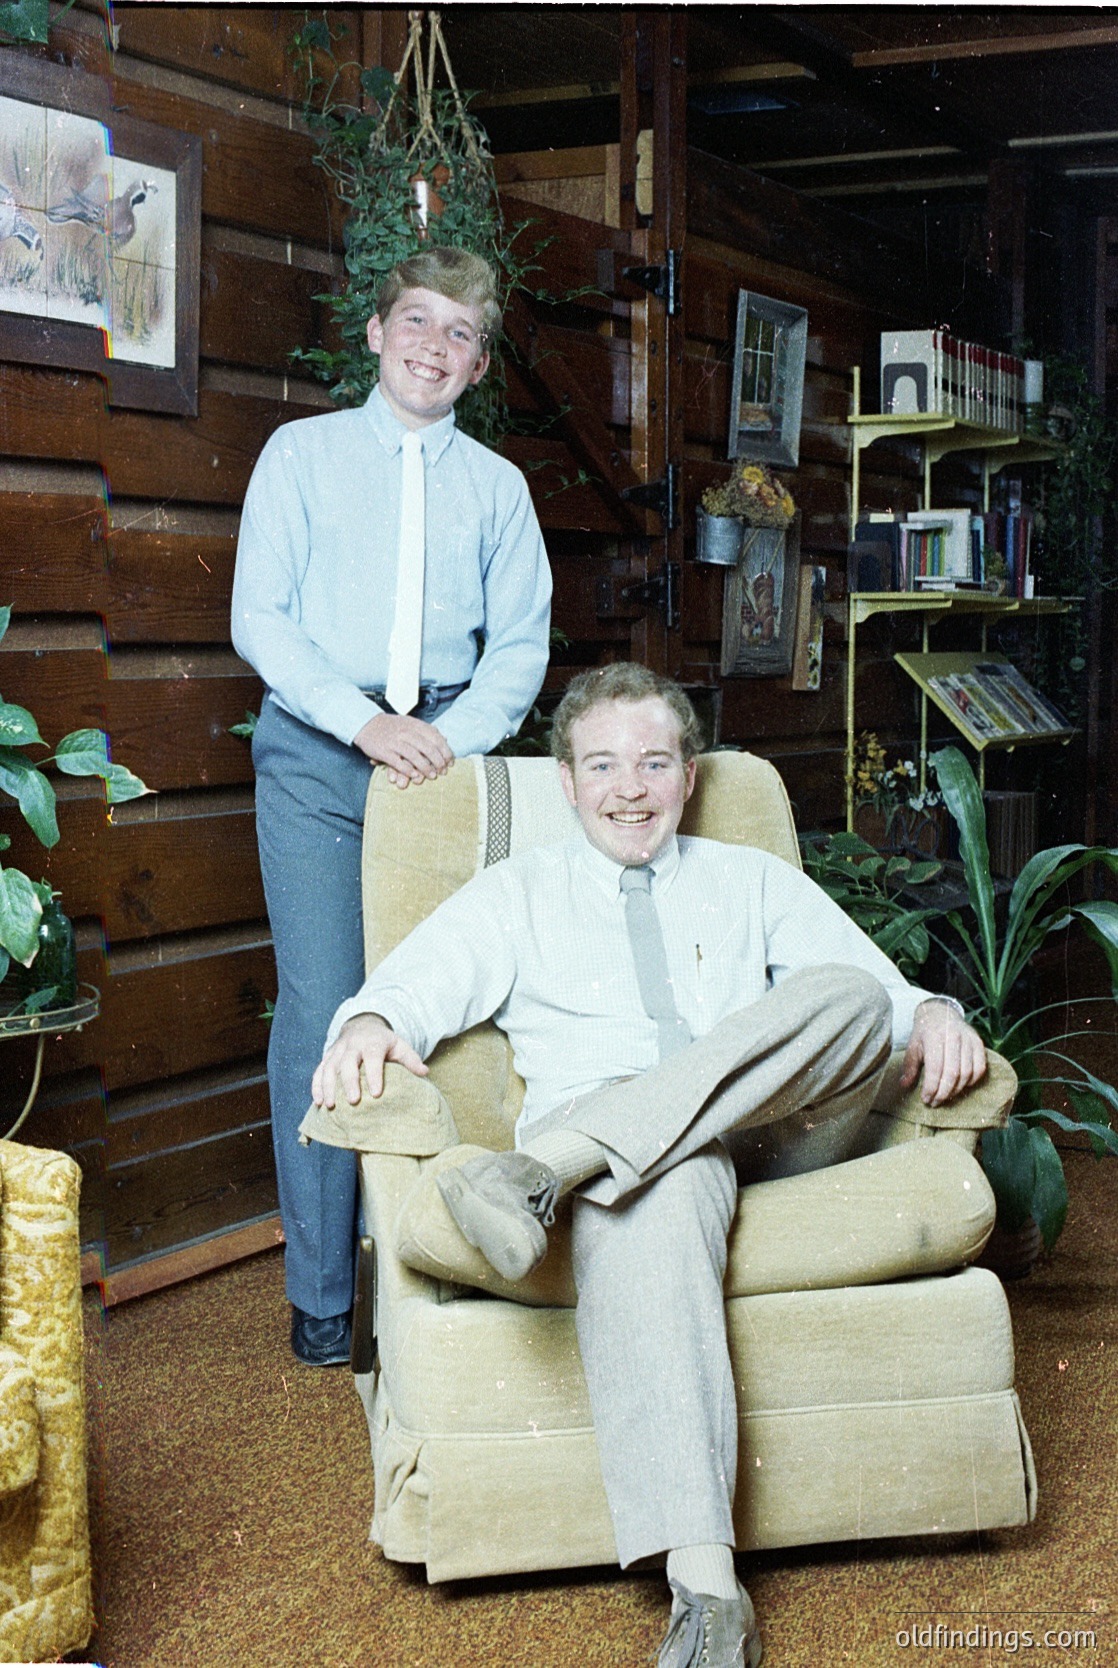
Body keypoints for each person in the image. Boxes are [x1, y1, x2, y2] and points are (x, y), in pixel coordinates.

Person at [312, 662, 986, 1667]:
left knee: (841, 992)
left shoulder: (750, 880)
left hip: (767, 1128)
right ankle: (708, 1597)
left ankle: (546, 1170)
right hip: (650, 1162)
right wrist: (366, 1019)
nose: (629, 787)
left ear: (687, 776)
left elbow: (871, 1001)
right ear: (568, 782)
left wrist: (931, 1009)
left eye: (654, 762)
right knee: (657, 1188)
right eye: (602, 765)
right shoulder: (515, 894)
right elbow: (408, 985)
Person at [232, 246, 551, 1367]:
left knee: (443, 1005)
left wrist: (442, 747)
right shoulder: (299, 456)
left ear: (477, 363)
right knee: (326, 1005)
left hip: (447, 764)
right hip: (320, 754)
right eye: (416, 322)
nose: (434, 347)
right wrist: (360, 725)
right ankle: (325, 1294)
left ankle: (432, 1266)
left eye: (461, 334)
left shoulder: (497, 491)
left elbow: (518, 652)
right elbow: (262, 619)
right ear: (374, 333)